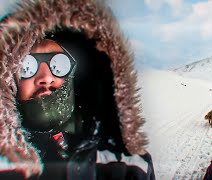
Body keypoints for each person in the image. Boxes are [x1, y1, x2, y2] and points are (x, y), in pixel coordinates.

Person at [0, 0, 155, 179]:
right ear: (8, 78)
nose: (45, 78)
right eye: (26, 67)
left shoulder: (128, 164)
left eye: (58, 65)